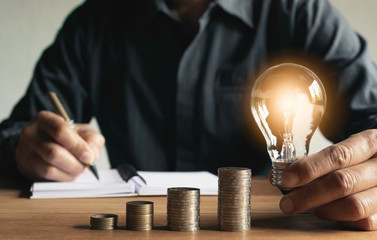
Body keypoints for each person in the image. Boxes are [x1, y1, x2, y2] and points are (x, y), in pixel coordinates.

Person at [1, 0, 377, 230]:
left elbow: (373, 119)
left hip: (262, 224)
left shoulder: (299, 12)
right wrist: (24, 148)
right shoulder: (93, 22)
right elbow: (18, 131)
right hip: (141, 227)